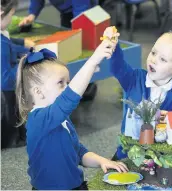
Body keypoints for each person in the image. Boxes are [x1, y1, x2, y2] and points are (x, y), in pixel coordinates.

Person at [15, 32, 128, 189]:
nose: (67, 87)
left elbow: (79, 153)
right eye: (61, 83)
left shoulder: (62, 118)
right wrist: (94, 60)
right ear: (38, 92)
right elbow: (69, 98)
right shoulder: (38, 119)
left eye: (68, 82)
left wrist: (102, 161)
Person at [103, 27, 172, 160]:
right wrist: (114, 47)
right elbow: (118, 67)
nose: (153, 60)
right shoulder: (135, 78)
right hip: (128, 151)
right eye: (153, 52)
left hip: (160, 156)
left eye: (163, 59)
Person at [19, 0, 99, 101]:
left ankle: (88, 86)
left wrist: (77, 32)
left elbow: (81, 10)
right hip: (66, 12)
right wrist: (32, 14)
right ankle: (70, 83)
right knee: (68, 47)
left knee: (83, 47)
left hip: (85, 10)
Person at [1, 0, 35, 149]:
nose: (10, 20)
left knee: (16, 110)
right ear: (2, 14)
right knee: (13, 111)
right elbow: (5, 78)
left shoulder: (2, 37)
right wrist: (25, 64)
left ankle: (21, 135)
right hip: (6, 89)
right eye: (11, 15)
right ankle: (15, 139)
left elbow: (8, 42)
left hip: (7, 87)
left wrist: (24, 45)